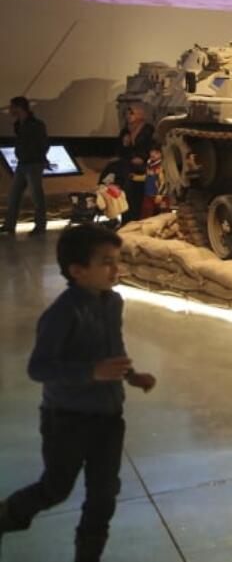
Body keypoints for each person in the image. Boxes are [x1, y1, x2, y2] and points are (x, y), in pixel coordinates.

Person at [0, 224, 157, 562]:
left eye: (117, 260)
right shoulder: (61, 314)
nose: (116, 269)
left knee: (104, 494)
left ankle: (88, 556)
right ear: (77, 271)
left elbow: (113, 349)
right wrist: (91, 373)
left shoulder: (113, 302)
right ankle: (7, 516)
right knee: (56, 487)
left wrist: (131, 375)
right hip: (66, 420)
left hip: (109, 419)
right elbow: (38, 368)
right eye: (106, 262)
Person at [3, 96, 50, 235]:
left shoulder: (36, 125)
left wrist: (40, 158)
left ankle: (40, 225)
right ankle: (9, 225)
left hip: (34, 163)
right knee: (14, 195)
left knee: (36, 195)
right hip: (23, 163)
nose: (10, 110)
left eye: (12, 107)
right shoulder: (18, 124)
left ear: (18, 107)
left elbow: (43, 143)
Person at [115, 105, 154, 224]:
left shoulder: (148, 129)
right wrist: (125, 144)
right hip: (128, 163)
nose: (128, 116)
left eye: (131, 113)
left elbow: (151, 146)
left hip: (143, 166)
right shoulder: (125, 131)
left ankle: (137, 219)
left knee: (136, 192)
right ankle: (126, 219)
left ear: (140, 114)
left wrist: (143, 158)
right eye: (127, 114)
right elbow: (120, 150)